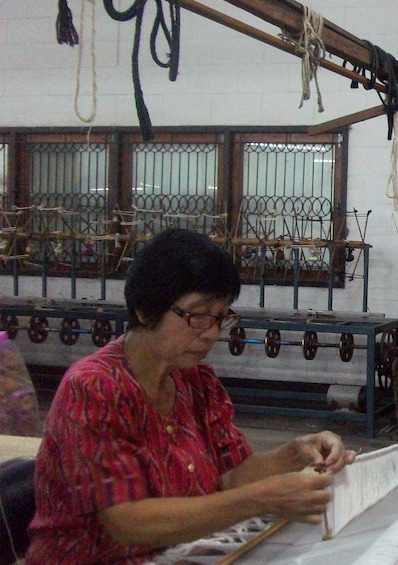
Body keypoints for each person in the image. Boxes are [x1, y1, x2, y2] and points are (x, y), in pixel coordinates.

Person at [26, 228, 356, 564]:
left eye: (219, 317)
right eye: (197, 315)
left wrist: (298, 453)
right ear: (144, 310)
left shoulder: (196, 381)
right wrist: (262, 499)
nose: (212, 332)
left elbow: (232, 476)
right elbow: (127, 523)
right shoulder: (95, 388)